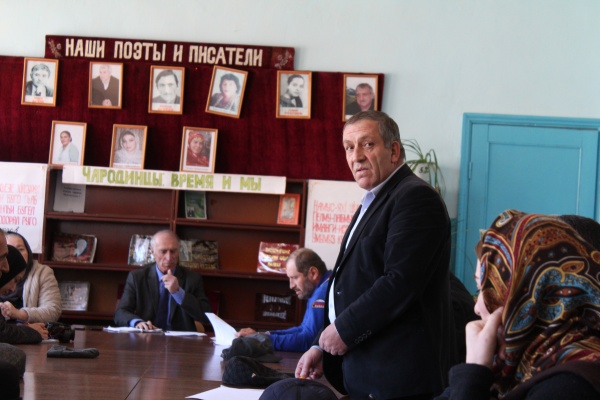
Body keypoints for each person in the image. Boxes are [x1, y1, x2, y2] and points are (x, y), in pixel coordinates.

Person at [295, 110, 456, 399]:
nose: (355, 157)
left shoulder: (415, 198)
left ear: (393, 151)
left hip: (399, 380)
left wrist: (343, 331)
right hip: (369, 372)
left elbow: (400, 282)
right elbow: (354, 285)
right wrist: (322, 345)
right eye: (349, 147)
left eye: (367, 144)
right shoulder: (374, 201)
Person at [435, 210, 600, 400]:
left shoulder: (570, 385)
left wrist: (474, 372)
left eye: (489, 292)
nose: (476, 308)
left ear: (527, 298)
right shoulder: (515, 362)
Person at [236, 248, 332, 352]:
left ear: (313, 273)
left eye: (295, 277)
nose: (291, 285)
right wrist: (262, 335)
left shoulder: (321, 293)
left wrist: (262, 340)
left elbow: (308, 340)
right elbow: (303, 329)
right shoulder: (321, 287)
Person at [114, 230, 212, 331]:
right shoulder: (137, 277)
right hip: (147, 336)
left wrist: (178, 292)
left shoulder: (192, 278)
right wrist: (137, 322)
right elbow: (120, 313)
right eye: (163, 251)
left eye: (173, 251)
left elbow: (206, 317)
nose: (169, 258)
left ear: (179, 251)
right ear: (152, 251)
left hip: (179, 339)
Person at [0, 232, 61, 323]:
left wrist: (18, 313)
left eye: (20, 249)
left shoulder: (42, 272)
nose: (17, 254)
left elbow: (52, 311)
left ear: (28, 251)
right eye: (11, 250)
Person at [0, 232, 48, 344]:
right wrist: (31, 332)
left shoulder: (43, 272)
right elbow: (2, 333)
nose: (6, 268)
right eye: (2, 257)